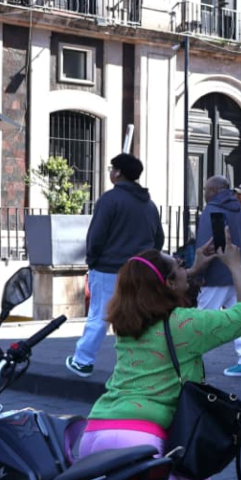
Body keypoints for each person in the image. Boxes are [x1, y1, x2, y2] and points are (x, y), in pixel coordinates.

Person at [79, 240, 241, 480]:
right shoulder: (184, 324)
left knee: (192, 474)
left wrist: (194, 269)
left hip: (96, 433)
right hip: (140, 443)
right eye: (178, 265)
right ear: (169, 284)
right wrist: (236, 265)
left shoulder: (129, 322)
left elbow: (159, 282)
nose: (183, 264)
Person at [66, 153, 164, 378]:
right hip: (140, 269)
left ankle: (83, 360)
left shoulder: (110, 200)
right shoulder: (149, 205)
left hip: (109, 268)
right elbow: (158, 238)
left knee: (100, 315)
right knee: (137, 316)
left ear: (118, 172)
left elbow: (96, 235)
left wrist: (93, 260)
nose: (110, 172)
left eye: (112, 168)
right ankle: (140, 362)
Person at [196, 176, 241, 377]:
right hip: (238, 271)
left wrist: (200, 272)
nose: (204, 193)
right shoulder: (238, 210)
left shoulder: (212, 210)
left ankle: (193, 358)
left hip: (216, 272)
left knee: (203, 317)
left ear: (213, 190)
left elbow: (207, 244)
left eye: (205, 189)